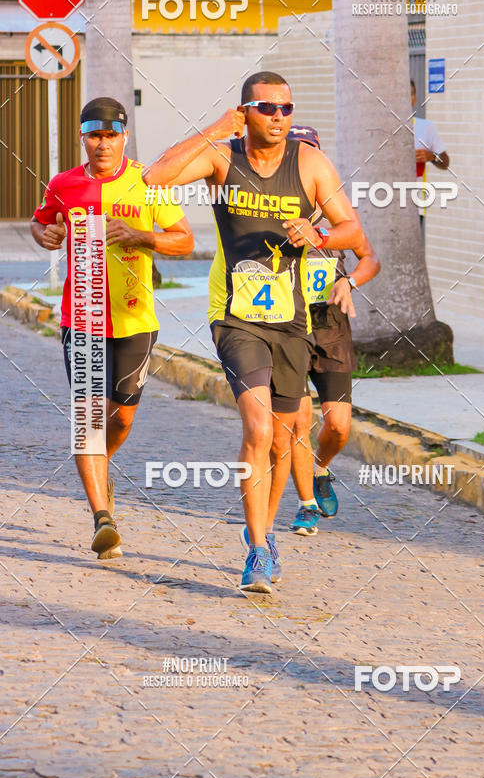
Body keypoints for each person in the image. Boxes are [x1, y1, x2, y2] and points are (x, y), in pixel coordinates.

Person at [143, 72, 362, 593]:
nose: (280, 118)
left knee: (285, 443)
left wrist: (321, 233)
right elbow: (156, 177)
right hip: (236, 317)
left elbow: (354, 231)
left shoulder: (309, 163)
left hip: (292, 321)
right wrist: (216, 127)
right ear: (246, 111)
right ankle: (258, 550)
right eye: (268, 108)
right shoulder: (222, 158)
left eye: (287, 108)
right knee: (258, 432)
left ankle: (264, 530)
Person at [31, 97, 193, 559]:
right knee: (88, 419)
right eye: (93, 135)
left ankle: (102, 468)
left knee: (120, 417)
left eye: (111, 135)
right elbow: (41, 222)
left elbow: (185, 240)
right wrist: (43, 234)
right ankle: (103, 518)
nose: (102, 144)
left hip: (134, 317)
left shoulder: (147, 183)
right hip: (80, 316)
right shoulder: (64, 184)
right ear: (82, 137)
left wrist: (141, 236)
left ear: (124, 136)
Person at [286, 125, 381, 535]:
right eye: (297, 152)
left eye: (311, 152)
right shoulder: (270, 209)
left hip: (330, 322)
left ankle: (320, 467)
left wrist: (350, 281)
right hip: (285, 322)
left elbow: (369, 258)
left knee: (339, 424)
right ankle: (306, 504)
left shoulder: (336, 211)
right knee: (298, 417)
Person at [410, 79, 450, 236]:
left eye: (411, 94)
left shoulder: (425, 127)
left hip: (416, 203)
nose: (408, 98)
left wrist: (431, 156)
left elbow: (445, 161)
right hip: (383, 201)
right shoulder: (382, 128)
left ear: (415, 98)